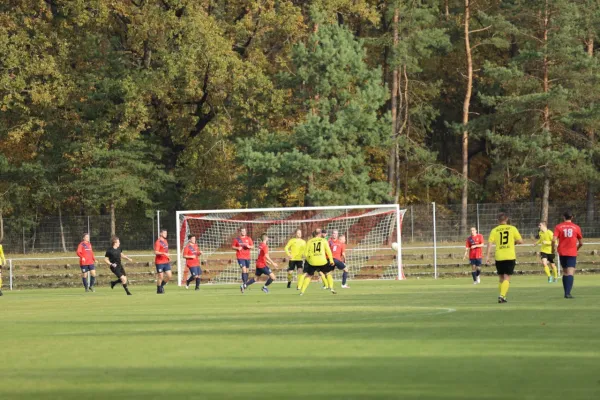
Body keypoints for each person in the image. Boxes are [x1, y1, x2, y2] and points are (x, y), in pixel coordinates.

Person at [485, 213, 523, 303]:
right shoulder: (512, 228)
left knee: (501, 277)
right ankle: (502, 296)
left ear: (498, 220)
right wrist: (514, 243)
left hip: (499, 256)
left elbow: (489, 243)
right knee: (507, 277)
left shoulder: (494, 230)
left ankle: (503, 296)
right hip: (509, 256)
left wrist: (487, 256)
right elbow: (520, 241)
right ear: (507, 219)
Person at [553, 211, 583, 299]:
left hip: (562, 252)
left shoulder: (558, 227)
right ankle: (568, 293)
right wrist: (576, 249)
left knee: (565, 272)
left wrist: (552, 249)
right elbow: (581, 243)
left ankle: (566, 292)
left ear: (563, 217)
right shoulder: (576, 227)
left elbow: (553, 240)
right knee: (570, 272)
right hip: (572, 252)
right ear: (572, 217)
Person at [300, 230, 336, 295]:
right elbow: (328, 251)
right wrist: (331, 260)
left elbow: (305, 254)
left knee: (309, 276)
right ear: (319, 234)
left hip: (312, 261)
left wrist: (309, 260)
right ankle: (331, 288)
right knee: (328, 273)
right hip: (322, 261)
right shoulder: (324, 240)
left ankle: (302, 292)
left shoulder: (309, 241)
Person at [154, 228, 171, 294]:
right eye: (164, 233)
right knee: (160, 276)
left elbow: (166, 251)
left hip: (166, 262)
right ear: (161, 233)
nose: (166, 234)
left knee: (169, 276)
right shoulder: (158, 242)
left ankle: (161, 286)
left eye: (166, 233)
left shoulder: (165, 241)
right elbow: (156, 252)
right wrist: (164, 253)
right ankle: (159, 290)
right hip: (159, 262)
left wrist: (168, 256)